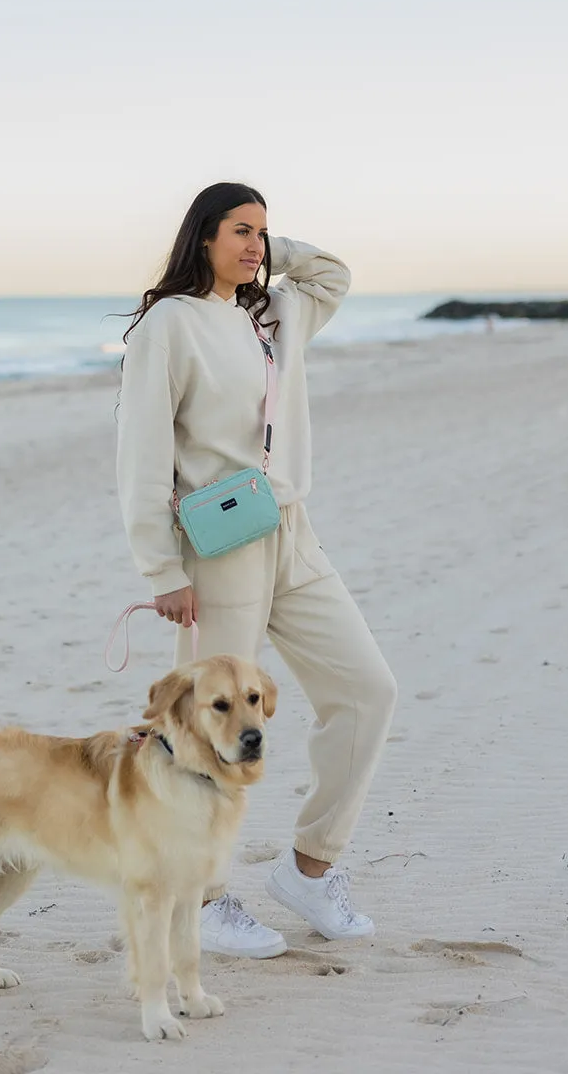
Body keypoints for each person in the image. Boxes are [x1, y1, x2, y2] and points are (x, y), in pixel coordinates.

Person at [116, 182, 397, 958]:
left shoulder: (271, 314)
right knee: (203, 730)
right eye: (239, 231)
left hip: (293, 534)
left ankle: (310, 869)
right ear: (200, 236)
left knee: (366, 691)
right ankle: (200, 898)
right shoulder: (168, 326)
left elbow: (330, 274)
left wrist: (275, 252)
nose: (255, 247)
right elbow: (139, 454)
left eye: (263, 235)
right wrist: (158, 570)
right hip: (218, 545)